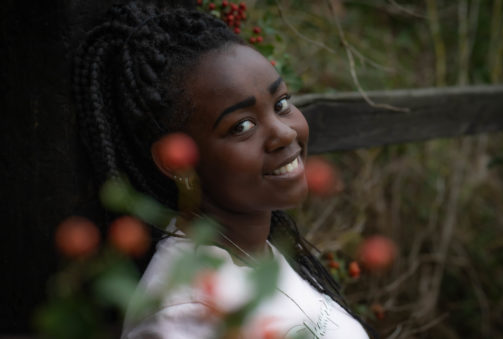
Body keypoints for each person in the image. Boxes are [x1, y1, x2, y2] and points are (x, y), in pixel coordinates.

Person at [73, 1, 373, 338]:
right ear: (177, 159)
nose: (285, 133)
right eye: (241, 126)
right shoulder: (186, 312)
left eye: (282, 104)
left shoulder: (263, 252)